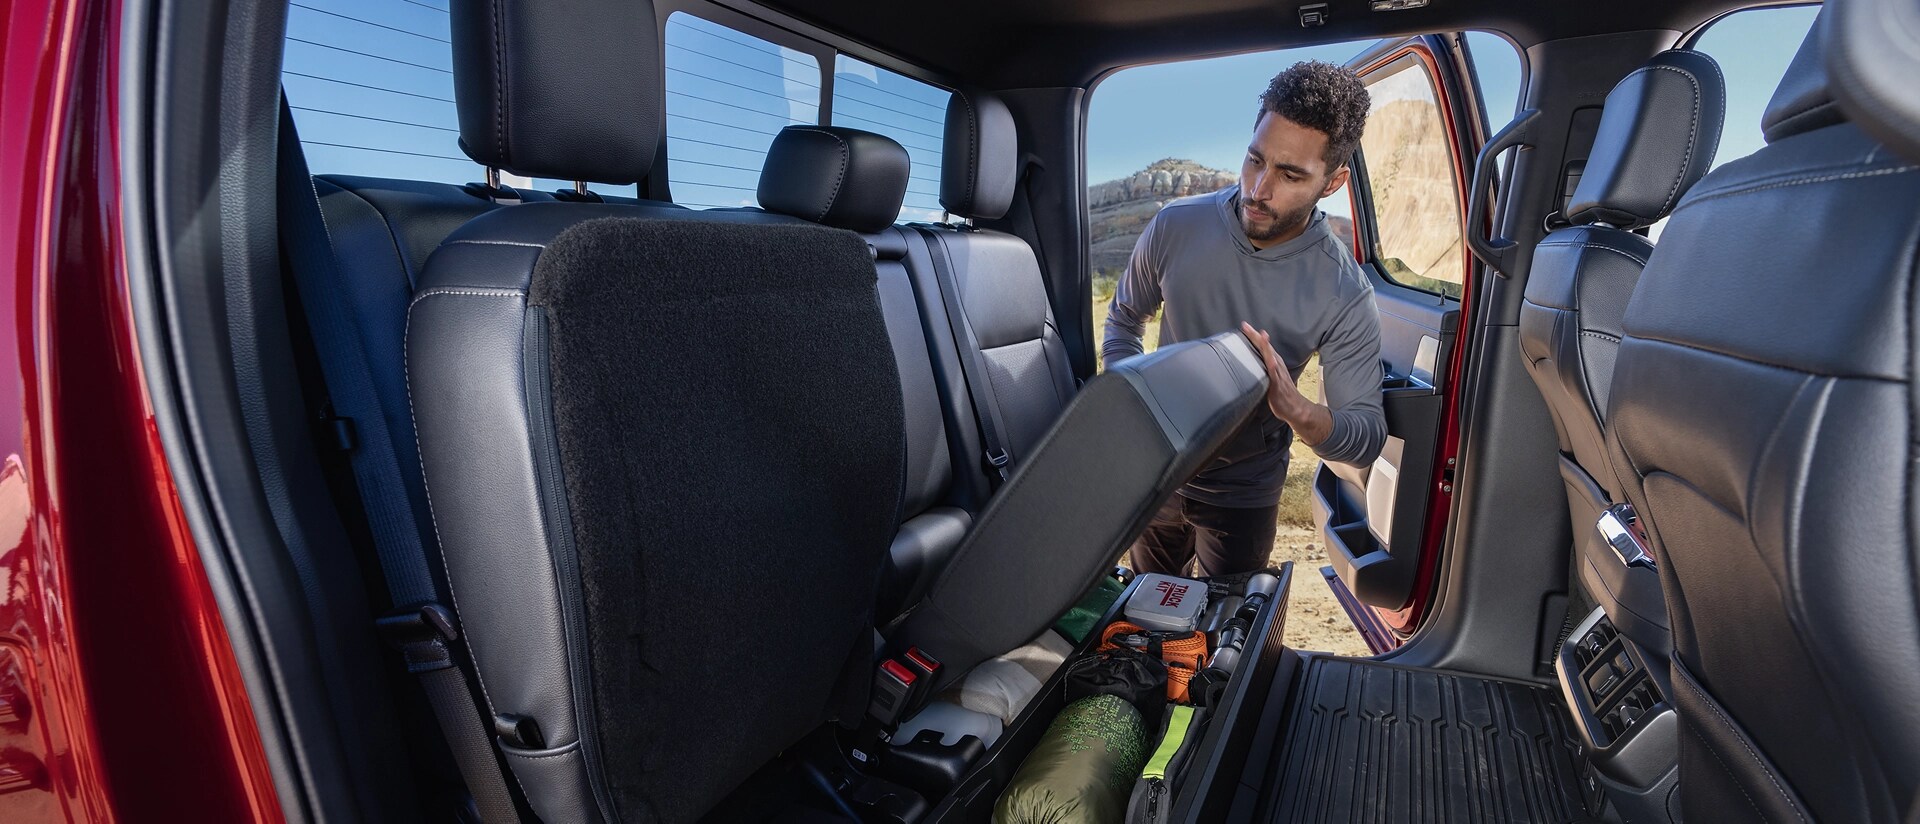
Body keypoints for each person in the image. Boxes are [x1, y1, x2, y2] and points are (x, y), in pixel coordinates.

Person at [1103, 61, 1387, 578]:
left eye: (1290, 175)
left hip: (1245, 493)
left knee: (1226, 622)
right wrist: (1135, 408)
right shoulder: (1174, 225)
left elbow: (1366, 435)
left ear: (1333, 182)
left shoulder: (1345, 291)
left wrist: (1298, 410)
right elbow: (1124, 319)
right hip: (1157, 474)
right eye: (1255, 160)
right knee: (1146, 610)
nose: (1258, 188)